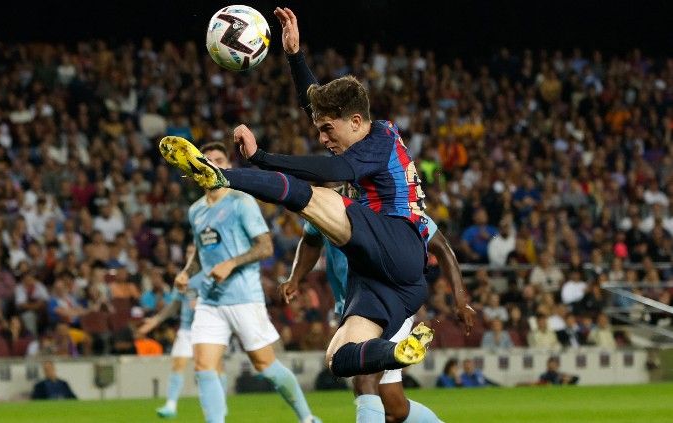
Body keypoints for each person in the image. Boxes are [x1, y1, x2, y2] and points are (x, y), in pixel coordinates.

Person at [160, 7, 474, 383]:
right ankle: (400, 351)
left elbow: (335, 172)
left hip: (397, 239)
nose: (323, 138)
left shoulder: (378, 140)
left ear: (356, 122)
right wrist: (295, 56)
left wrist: (260, 158)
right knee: (340, 357)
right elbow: (316, 103)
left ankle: (221, 178)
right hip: (390, 279)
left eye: (328, 130)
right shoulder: (361, 132)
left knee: (310, 197)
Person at [167, 142, 319, 423]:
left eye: (219, 160)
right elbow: (201, 251)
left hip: (243, 297)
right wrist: (187, 272)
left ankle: (306, 417)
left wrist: (231, 263)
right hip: (210, 301)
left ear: (226, 167)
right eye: (206, 159)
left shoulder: (241, 201)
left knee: (265, 365)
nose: (212, 164)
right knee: (203, 366)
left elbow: (265, 247)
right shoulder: (196, 210)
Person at [282, 208, 461, 422]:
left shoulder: (391, 205)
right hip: (353, 311)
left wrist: (460, 299)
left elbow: (440, 245)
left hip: (389, 305)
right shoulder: (325, 203)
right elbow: (310, 241)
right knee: (395, 408)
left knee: (364, 379)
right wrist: (296, 277)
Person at [137, 268, 227, 418]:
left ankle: (219, 404)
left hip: (208, 329)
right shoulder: (183, 278)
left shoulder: (212, 274)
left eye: (193, 252)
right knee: (178, 364)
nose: (189, 255)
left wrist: (203, 304)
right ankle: (171, 406)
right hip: (186, 330)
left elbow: (225, 300)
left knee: (215, 368)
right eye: (188, 253)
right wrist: (155, 321)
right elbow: (174, 304)